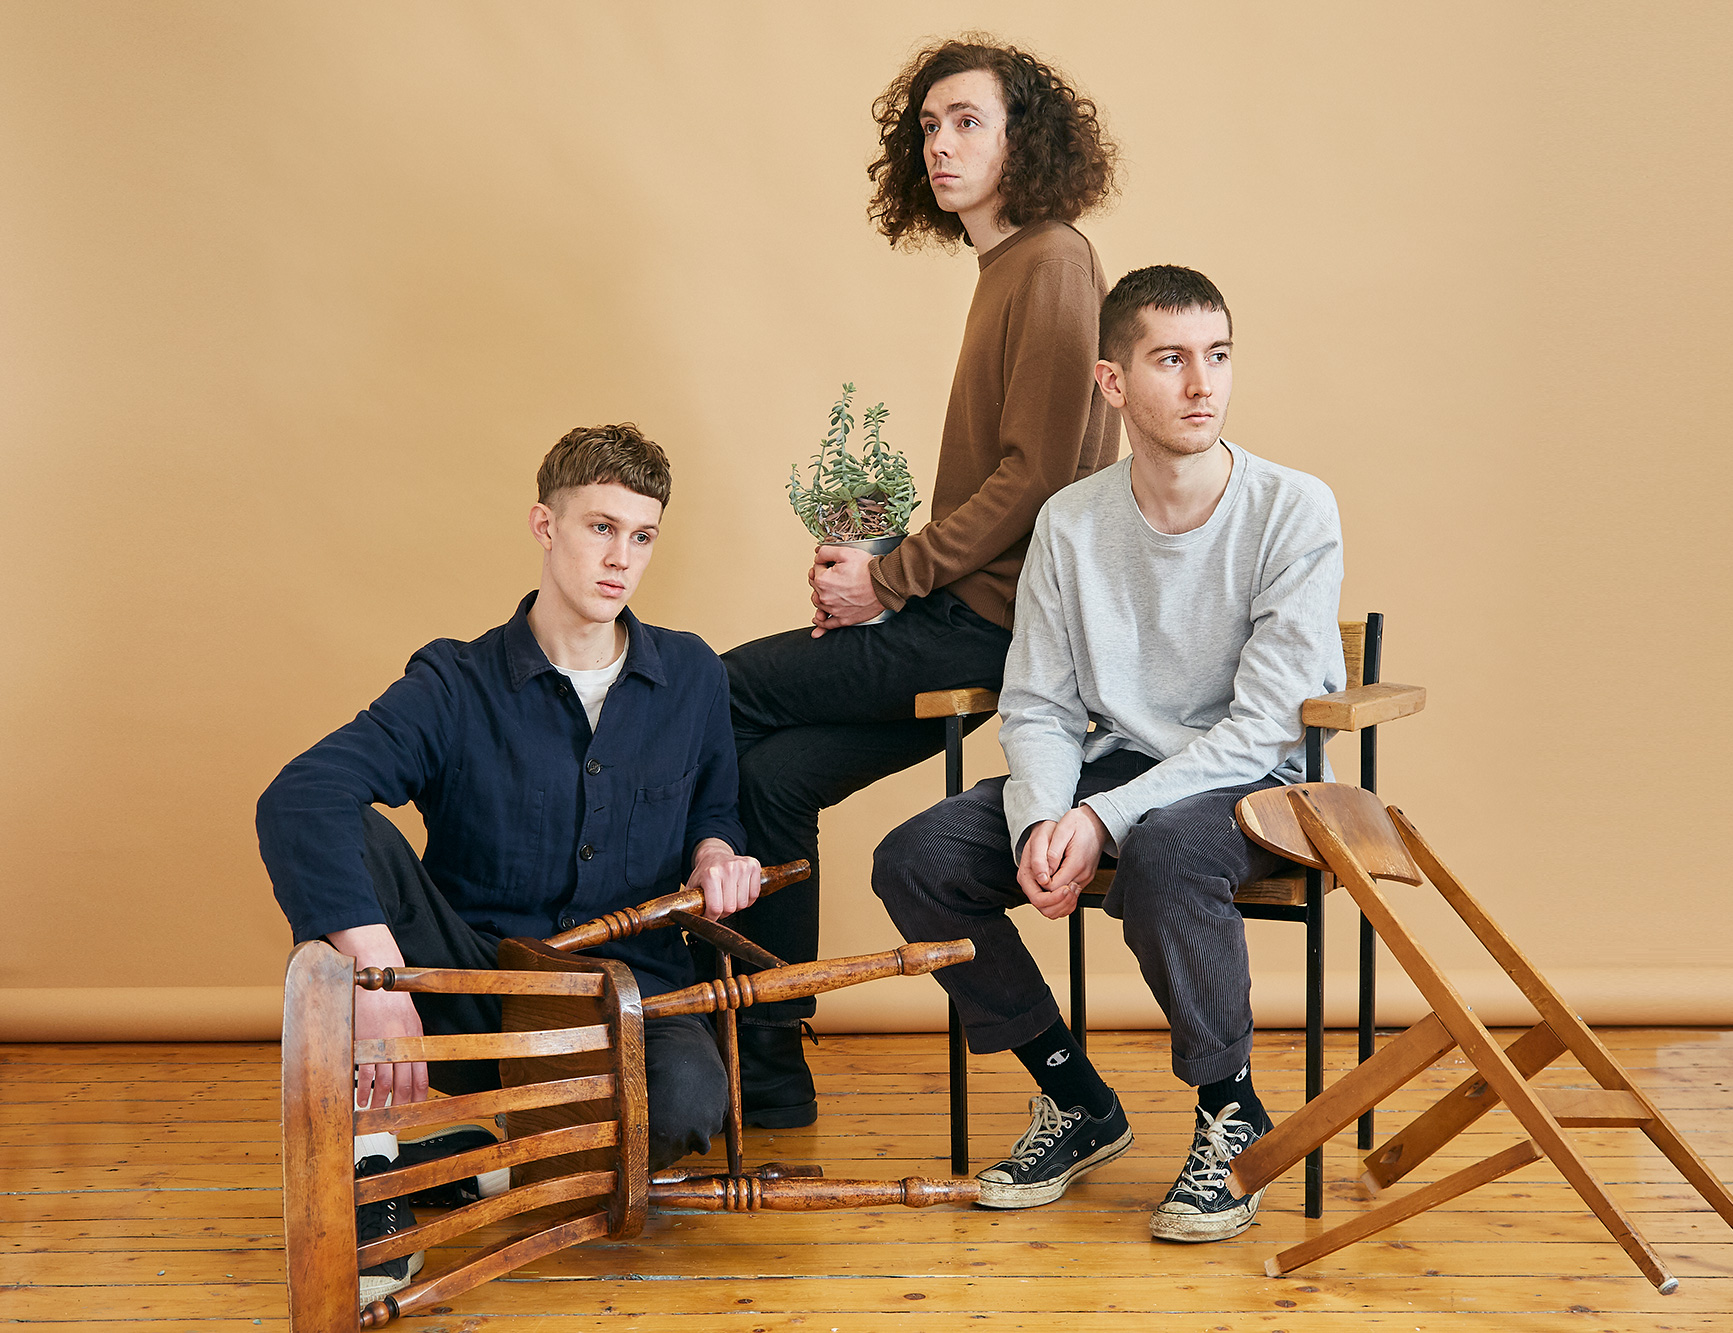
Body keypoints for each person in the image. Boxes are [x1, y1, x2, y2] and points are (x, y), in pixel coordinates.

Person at [872, 266, 1346, 1241]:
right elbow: (1040, 703)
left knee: (1166, 849)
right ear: (1112, 382)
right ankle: (1074, 1097)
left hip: (1256, 784)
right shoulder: (1070, 523)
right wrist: (1043, 820)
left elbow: (1264, 726)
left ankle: (1232, 1111)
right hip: (1115, 772)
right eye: (1170, 360)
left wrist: (1100, 818)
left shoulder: (1292, 508)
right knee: (916, 858)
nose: (1201, 384)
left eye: (1217, 355)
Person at [256, 424, 764, 1305]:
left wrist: (718, 853)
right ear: (544, 525)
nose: (622, 558)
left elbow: (715, 813)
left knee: (688, 1097)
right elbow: (299, 796)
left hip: (621, 1001)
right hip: (463, 986)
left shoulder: (692, 674)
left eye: (642, 536)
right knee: (348, 834)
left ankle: (474, 1163)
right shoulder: (454, 681)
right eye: (600, 527)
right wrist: (379, 977)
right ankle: (375, 1165)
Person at [720, 36, 1122, 1126]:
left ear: (1024, 139)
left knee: (710, 690)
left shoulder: (1052, 260)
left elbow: (1037, 480)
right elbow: (1008, 481)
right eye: (929, 126)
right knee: (771, 782)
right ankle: (769, 1069)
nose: (941, 144)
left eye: (968, 122)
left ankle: (668, 1000)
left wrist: (889, 579)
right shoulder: (1006, 268)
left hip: (982, 629)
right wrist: (877, 562)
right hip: (955, 610)